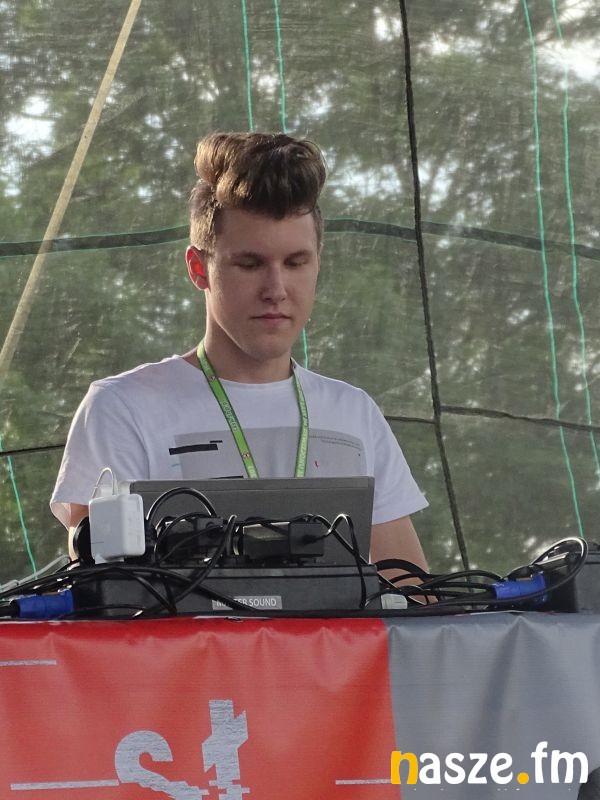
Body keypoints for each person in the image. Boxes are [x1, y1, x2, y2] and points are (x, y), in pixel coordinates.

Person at [51, 131, 429, 572]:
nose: (276, 289)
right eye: (250, 264)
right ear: (198, 268)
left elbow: (412, 590)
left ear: (318, 263)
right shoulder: (122, 408)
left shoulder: (354, 411)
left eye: (296, 262)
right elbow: (105, 593)